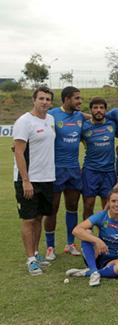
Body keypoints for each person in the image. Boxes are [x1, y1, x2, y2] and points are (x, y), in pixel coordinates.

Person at [13, 86, 56, 275]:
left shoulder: (51, 119)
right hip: (29, 179)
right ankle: (30, 259)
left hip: (47, 178)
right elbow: (19, 152)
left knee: (39, 217)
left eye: (48, 99)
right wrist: (25, 180)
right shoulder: (24, 121)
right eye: (41, 98)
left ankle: (36, 253)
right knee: (28, 219)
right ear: (34, 100)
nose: (45, 102)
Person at [66, 189, 118, 286]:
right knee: (86, 232)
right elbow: (76, 230)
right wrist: (97, 240)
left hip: (114, 259)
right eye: (113, 201)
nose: (116, 204)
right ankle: (93, 269)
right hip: (98, 254)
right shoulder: (102, 215)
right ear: (108, 202)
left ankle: (90, 272)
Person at [44, 86, 85, 260]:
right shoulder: (52, 115)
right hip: (55, 169)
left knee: (72, 207)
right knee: (52, 208)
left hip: (74, 169)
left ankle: (70, 243)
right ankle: (50, 247)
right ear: (67, 99)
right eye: (77, 98)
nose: (80, 102)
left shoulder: (80, 116)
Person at [81, 97, 117, 219]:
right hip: (90, 170)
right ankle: (86, 235)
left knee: (108, 205)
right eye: (95, 108)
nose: (98, 110)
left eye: (101, 108)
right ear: (90, 110)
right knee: (88, 205)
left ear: (106, 110)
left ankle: (107, 235)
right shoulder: (84, 126)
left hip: (109, 171)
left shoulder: (112, 124)